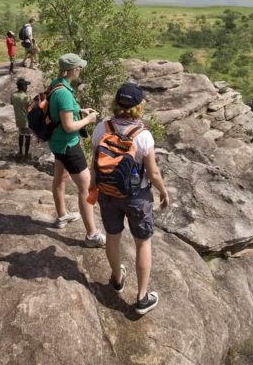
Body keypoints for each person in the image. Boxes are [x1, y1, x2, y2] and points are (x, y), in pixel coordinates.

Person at [91, 82, 169, 315]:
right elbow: (153, 172)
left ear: (116, 104)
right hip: (137, 196)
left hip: (108, 193)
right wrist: (163, 191)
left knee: (113, 238)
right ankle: (142, 298)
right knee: (142, 243)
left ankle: (117, 279)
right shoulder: (143, 135)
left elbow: (95, 163)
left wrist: (94, 188)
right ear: (138, 106)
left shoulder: (101, 128)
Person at [47, 53, 105, 248]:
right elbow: (69, 126)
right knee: (86, 188)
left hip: (57, 143)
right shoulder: (63, 92)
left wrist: (81, 111)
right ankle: (92, 235)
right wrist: (88, 120)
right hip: (68, 145)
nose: (80, 69)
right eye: (79, 67)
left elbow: (62, 113)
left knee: (60, 179)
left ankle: (62, 216)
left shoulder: (57, 83)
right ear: (73, 70)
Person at [11, 78, 32, 159]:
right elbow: (30, 108)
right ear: (23, 87)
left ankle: (20, 151)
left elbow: (12, 103)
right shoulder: (26, 97)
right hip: (26, 120)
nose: (27, 87)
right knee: (28, 137)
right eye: (26, 85)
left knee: (20, 135)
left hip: (18, 120)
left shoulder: (13, 95)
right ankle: (26, 154)